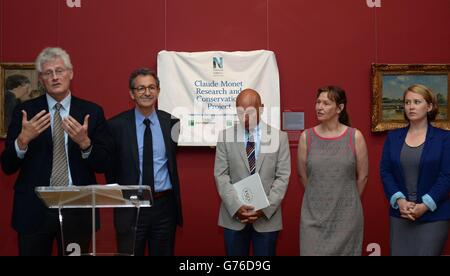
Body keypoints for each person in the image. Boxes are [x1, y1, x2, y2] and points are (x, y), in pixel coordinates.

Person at [0, 47, 110, 256]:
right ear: (41, 78)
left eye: (59, 71)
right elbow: (7, 166)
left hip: (77, 208)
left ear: (71, 73)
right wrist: (22, 141)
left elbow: (103, 164)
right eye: (48, 73)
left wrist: (85, 143)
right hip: (33, 209)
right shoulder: (26, 112)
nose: (55, 77)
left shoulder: (91, 112)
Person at [106, 68, 182, 256]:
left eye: (151, 87)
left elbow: (170, 163)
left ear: (158, 91)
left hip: (164, 207)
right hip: (130, 206)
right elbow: (110, 168)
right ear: (132, 93)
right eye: (140, 88)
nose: (147, 93)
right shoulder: (116, 125)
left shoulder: (172, 123)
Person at [214, 89, 291, 256]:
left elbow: (282, 177)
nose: (245, 118)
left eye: (250, 112)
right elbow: (221, 176)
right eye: (240, 112)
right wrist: (236, 206)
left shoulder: (279, 138)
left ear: (261, 109)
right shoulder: (225, 136)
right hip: (234, 217)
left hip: (267, 219)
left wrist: (265, 208)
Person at [380, 84, 450, 256]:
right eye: (407, 102)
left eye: (417, 102)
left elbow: (447, 176)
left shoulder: (444, 139)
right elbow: (385, 172)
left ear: (430, 106)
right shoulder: (393, 137)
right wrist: (401, 202)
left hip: (434, 216)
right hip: (401, 215)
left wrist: (425, 205)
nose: (411, 107)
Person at [298, 85, 368, 256]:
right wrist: (319, 198)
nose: (319, 107)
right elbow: (302, 175)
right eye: (318, 102)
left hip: (347, 218)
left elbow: (363, 176)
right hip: (313, 218)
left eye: (326, 103)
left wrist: (347, 201)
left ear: (340, 108)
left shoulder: (355, 136)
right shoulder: (306, 137)